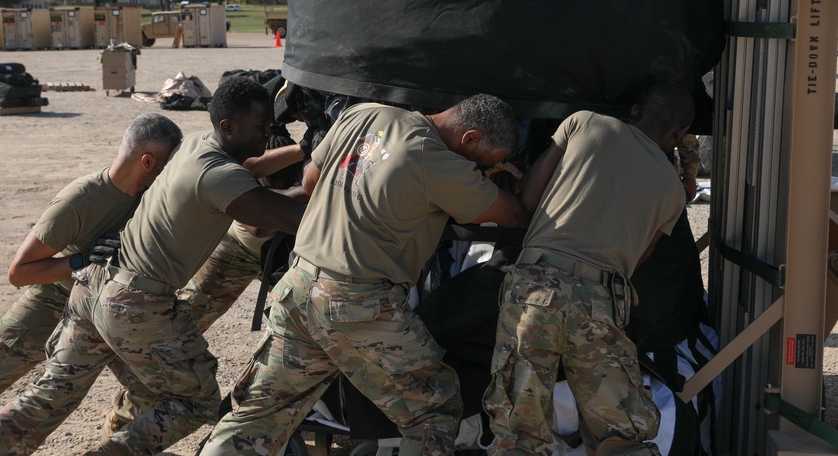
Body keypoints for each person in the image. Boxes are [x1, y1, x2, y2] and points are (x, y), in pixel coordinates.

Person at [0, 76, 306, 456]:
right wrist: (324, 177)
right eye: (262, 127)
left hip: (92, 289)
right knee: (196, 401)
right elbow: (276, 216)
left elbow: (248, 163)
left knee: (52, 394)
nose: (269, 134)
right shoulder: (217, 177)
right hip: (133, 302)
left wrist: (304, 150)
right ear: (229, 128)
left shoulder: (199, 143)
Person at [199, 94, 531, 456]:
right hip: (356, 301)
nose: (478, 170)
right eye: (481, 162)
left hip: (299, 286)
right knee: (433, 405)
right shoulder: (436, 160)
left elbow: (310, 180)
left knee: (259, 415)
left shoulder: (363, 114)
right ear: (469, 139)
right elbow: (513, 215)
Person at [483, 83, 695, 455]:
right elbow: (638, 260)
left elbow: (529, 199)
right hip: (600, 303)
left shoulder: (584, 123)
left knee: (519, 429)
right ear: (677, 136)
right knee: (622, 433)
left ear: (632, 111)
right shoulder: (672, 192)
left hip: (535, 290)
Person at [103, 129, 306, 435]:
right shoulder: (244, 163)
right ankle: (126, 420)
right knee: (173, 339)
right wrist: (306, 165)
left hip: (285, 256)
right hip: (234, 252)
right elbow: (256, 222)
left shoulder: (323, 161)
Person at [0, 113, 182, 413]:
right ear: (148, 162)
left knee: (154, 389)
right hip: (54, 301)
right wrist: (81, 260)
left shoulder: (152, 196)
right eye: (168, 164)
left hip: (113, 308)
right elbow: (19, 273)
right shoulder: (80, 201)